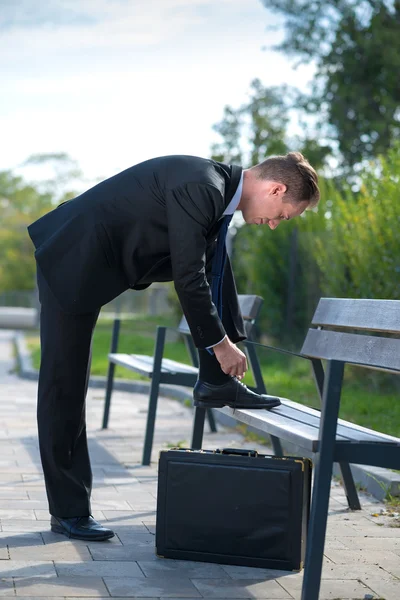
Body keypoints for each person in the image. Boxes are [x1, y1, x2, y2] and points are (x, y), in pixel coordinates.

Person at [27, 152, 320, 541]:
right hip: (72, 258)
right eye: (282, 214)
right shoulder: (202, 186)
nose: (273, 225)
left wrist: (224, 345)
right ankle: (68, 512)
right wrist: (220, 344)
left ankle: (217, 382)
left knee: (217, 256)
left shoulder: (217, 194)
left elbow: (199, 267)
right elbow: (187, 275)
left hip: (107, 259)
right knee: (64, 387)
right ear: (275, 188)